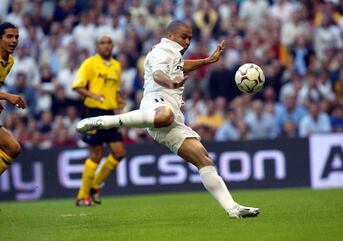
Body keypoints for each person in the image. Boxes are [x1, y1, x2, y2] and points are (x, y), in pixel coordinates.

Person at [76, 20, 259, 218]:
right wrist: (171, 82)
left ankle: (233, 209)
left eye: (190, 37)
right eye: (184, 36)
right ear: (170, 35)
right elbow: (158, 74)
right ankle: (107, 121)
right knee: (165, 115)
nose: (188, 41)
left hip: (173, 117)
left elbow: (180, 66)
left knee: (204, 160)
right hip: (156, 104)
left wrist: (207, 61)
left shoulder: (174, 55)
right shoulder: (161, 51)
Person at [72, 35, 127, 206]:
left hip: (110, 113)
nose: (106, 45)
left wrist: (119, 100)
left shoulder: (117, 66)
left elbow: (115, 90)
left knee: (119, 153)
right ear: (97, 47)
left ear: (113, 45)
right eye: (102, 43)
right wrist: (94, 95)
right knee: (96, 154)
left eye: (109, 42)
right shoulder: (90, 63)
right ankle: (82, 196)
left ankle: (94, 185)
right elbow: (77, 86)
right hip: (93, 112)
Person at [0, 22, 27, 175]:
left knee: (13, 148)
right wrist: (6, 96)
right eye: (9, 36)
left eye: (16, 37)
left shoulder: (9, 61)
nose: (14, 41)